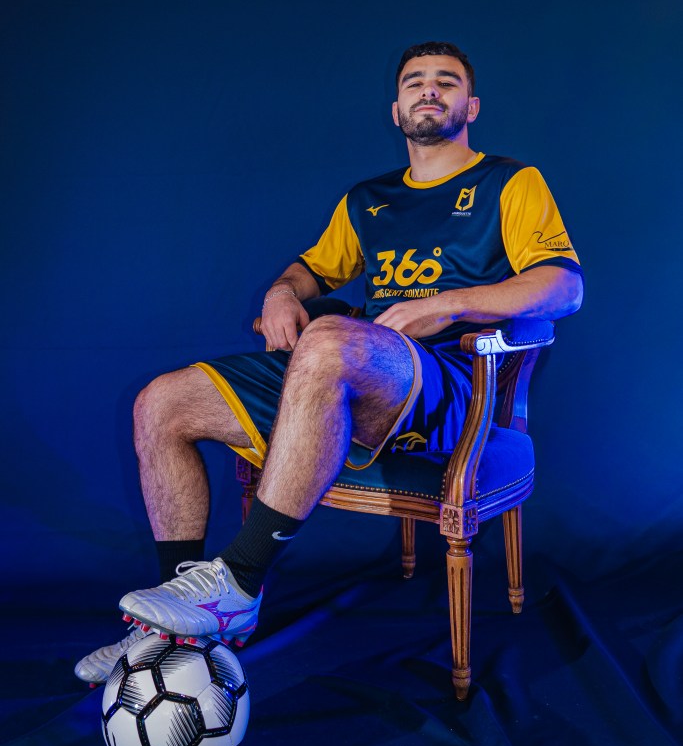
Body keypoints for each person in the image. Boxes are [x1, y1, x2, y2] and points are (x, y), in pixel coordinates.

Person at [75, 40, 583, 684]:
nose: (429, 90)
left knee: (328, 338)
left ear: (471, 106)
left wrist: (446, 305)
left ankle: (239, 580)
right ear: (395, 110)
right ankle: (174, 619)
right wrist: (281, 292)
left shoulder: (509, 182)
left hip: (449, 381)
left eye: (446, 81)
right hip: (353, 363)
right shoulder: (368, 199)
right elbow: (311, 270)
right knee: (161, 402)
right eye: (414, 82)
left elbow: (564, 286)